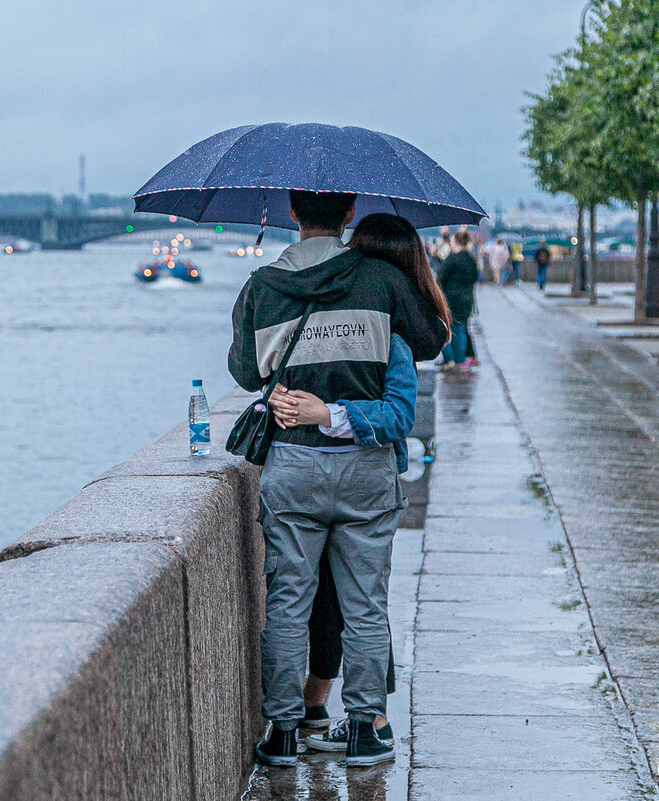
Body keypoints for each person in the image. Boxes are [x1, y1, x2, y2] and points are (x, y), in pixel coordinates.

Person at [229, 192, 447, 768]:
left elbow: (246, 371)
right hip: (366, 468)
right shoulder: (378, 277)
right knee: (366, 604)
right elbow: (428, 340)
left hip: (294, 464)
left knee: (287, 603)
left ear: (293, 215)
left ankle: (282, 731)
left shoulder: (262, 285)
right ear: (349, 215)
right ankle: (366, 728)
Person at [437, 230, 478, 372]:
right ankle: (460, 362)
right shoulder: (470, 260)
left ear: (455, 242)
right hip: (466, 300)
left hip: (450, 300)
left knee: (445, 331)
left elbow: (440, 278)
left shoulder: (452, 259)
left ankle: (449, 360)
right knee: (460, 330)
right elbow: (474, 278)